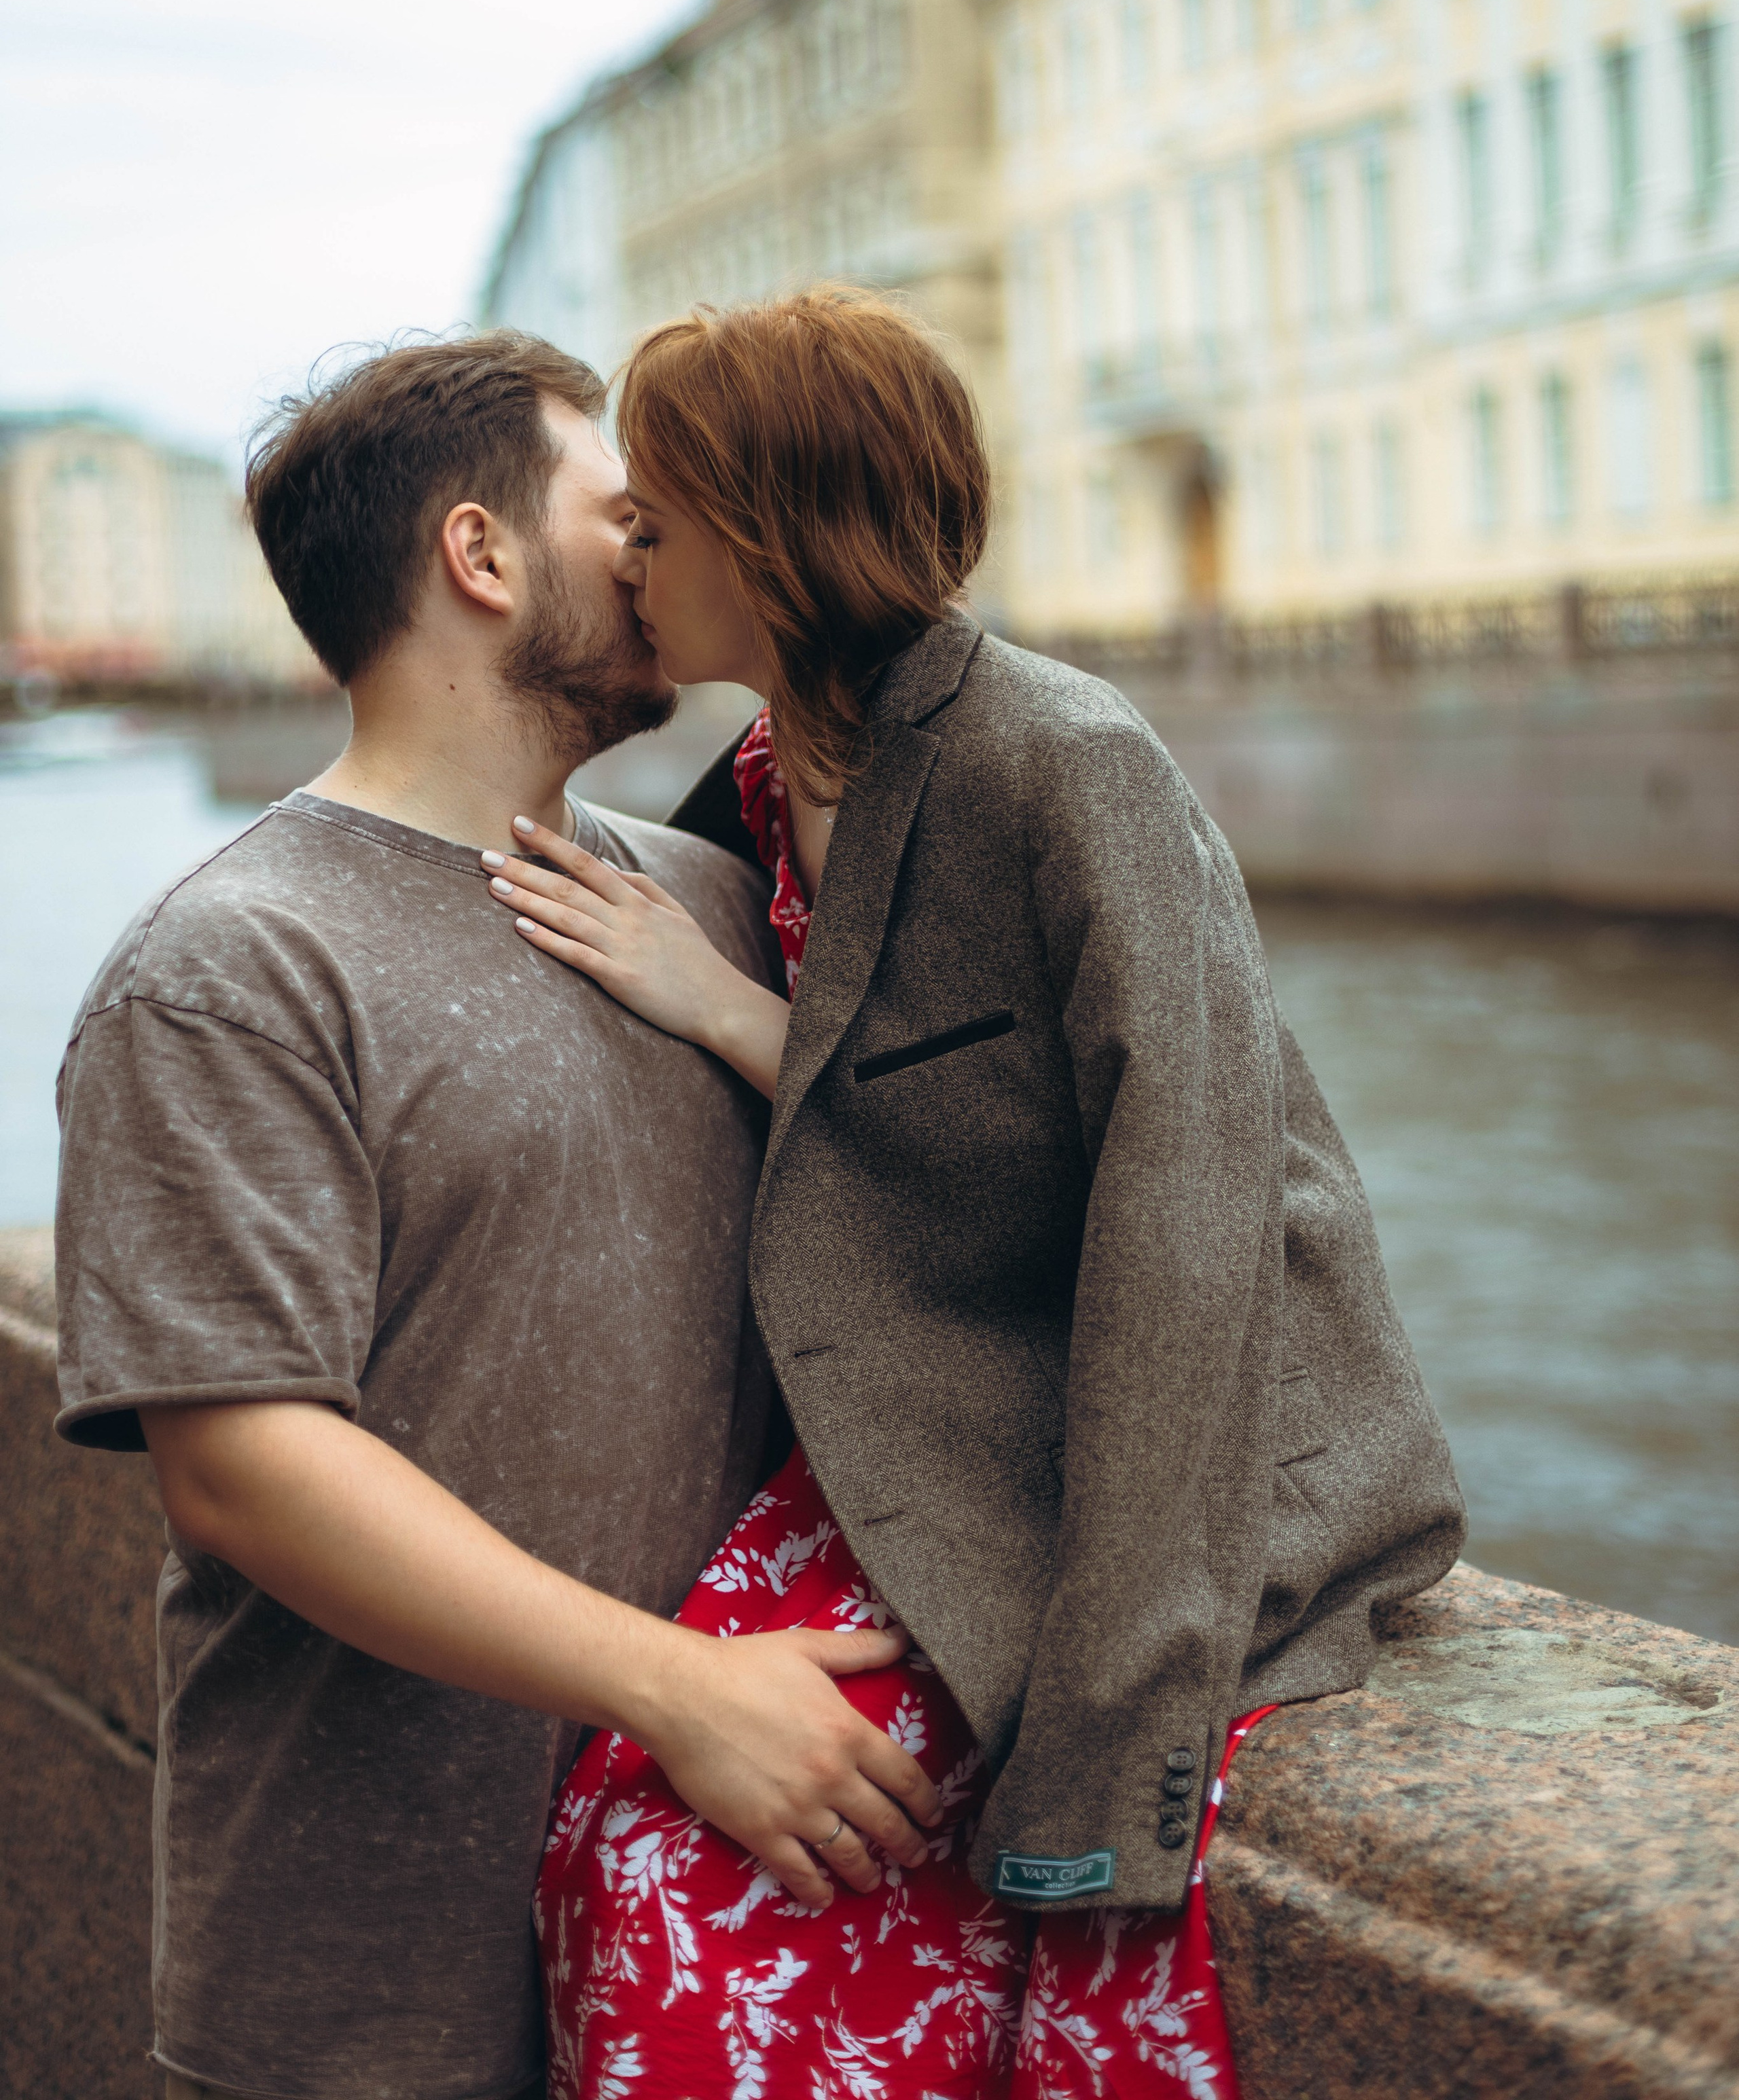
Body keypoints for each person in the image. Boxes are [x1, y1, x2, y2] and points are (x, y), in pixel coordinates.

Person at [489, 287, 1468, 2100]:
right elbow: (917, 1118)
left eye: (657, 514)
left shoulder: (1062, 760)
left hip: (1146, 1462)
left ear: (772, 537)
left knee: (703, 1891)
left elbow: (1189, 1224)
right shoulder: (764, 780)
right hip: (914, 1416)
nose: (627, 552)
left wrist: (1111, 1745)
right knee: (619, 1833)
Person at [52, 331, 943, 2100]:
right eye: (622, 514)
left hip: (723, 1939)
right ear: (480, 557)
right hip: (368, 1978)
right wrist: (686, 1696)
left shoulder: (702, 898)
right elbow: (242, 1467)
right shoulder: (230, 970)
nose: (659, 549)